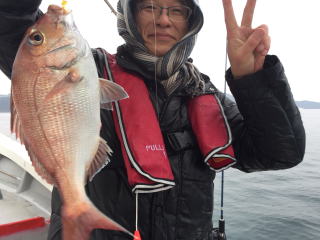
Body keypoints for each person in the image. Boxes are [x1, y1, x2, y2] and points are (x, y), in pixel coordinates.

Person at [0, 0, 305, 239]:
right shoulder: (91, 71)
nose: (163, 19)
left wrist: (251, 79)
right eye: (149, 7)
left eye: (177, 10)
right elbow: (11, 24)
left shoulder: (205, 95)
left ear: (190, 23)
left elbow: (280, 153)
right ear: (130, 16)